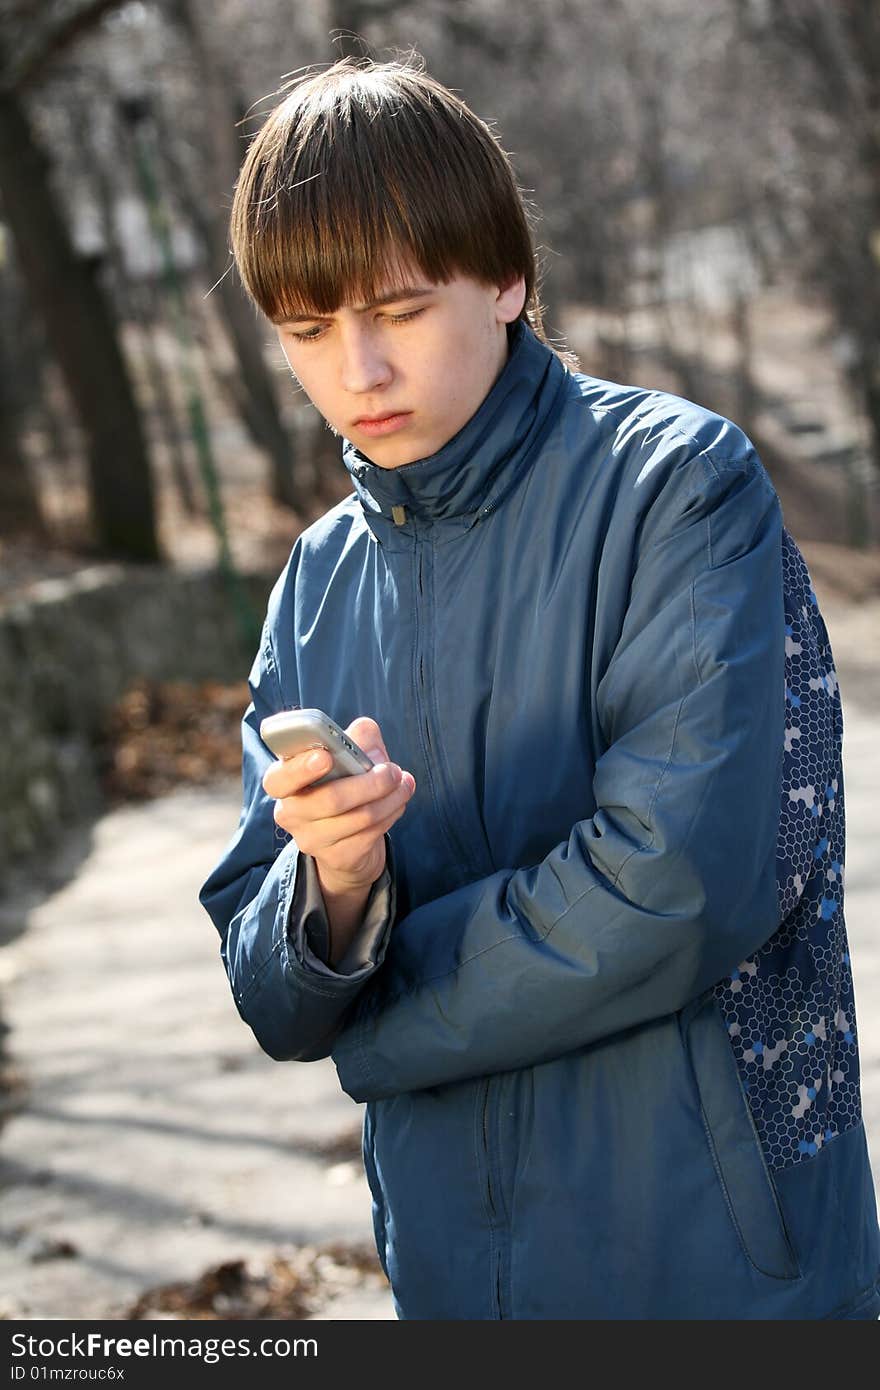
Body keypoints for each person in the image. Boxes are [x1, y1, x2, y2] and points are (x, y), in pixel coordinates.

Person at [200, 55, 880, 1320]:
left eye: (395, 310)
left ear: (506, 278)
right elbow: (268, 981)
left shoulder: (678, 486)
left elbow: (672, 885)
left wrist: (379, 1014)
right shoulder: (314, 583)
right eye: (305, 330)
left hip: (717, 1254)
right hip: (454, 1271)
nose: (356, 373)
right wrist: (332, 895)